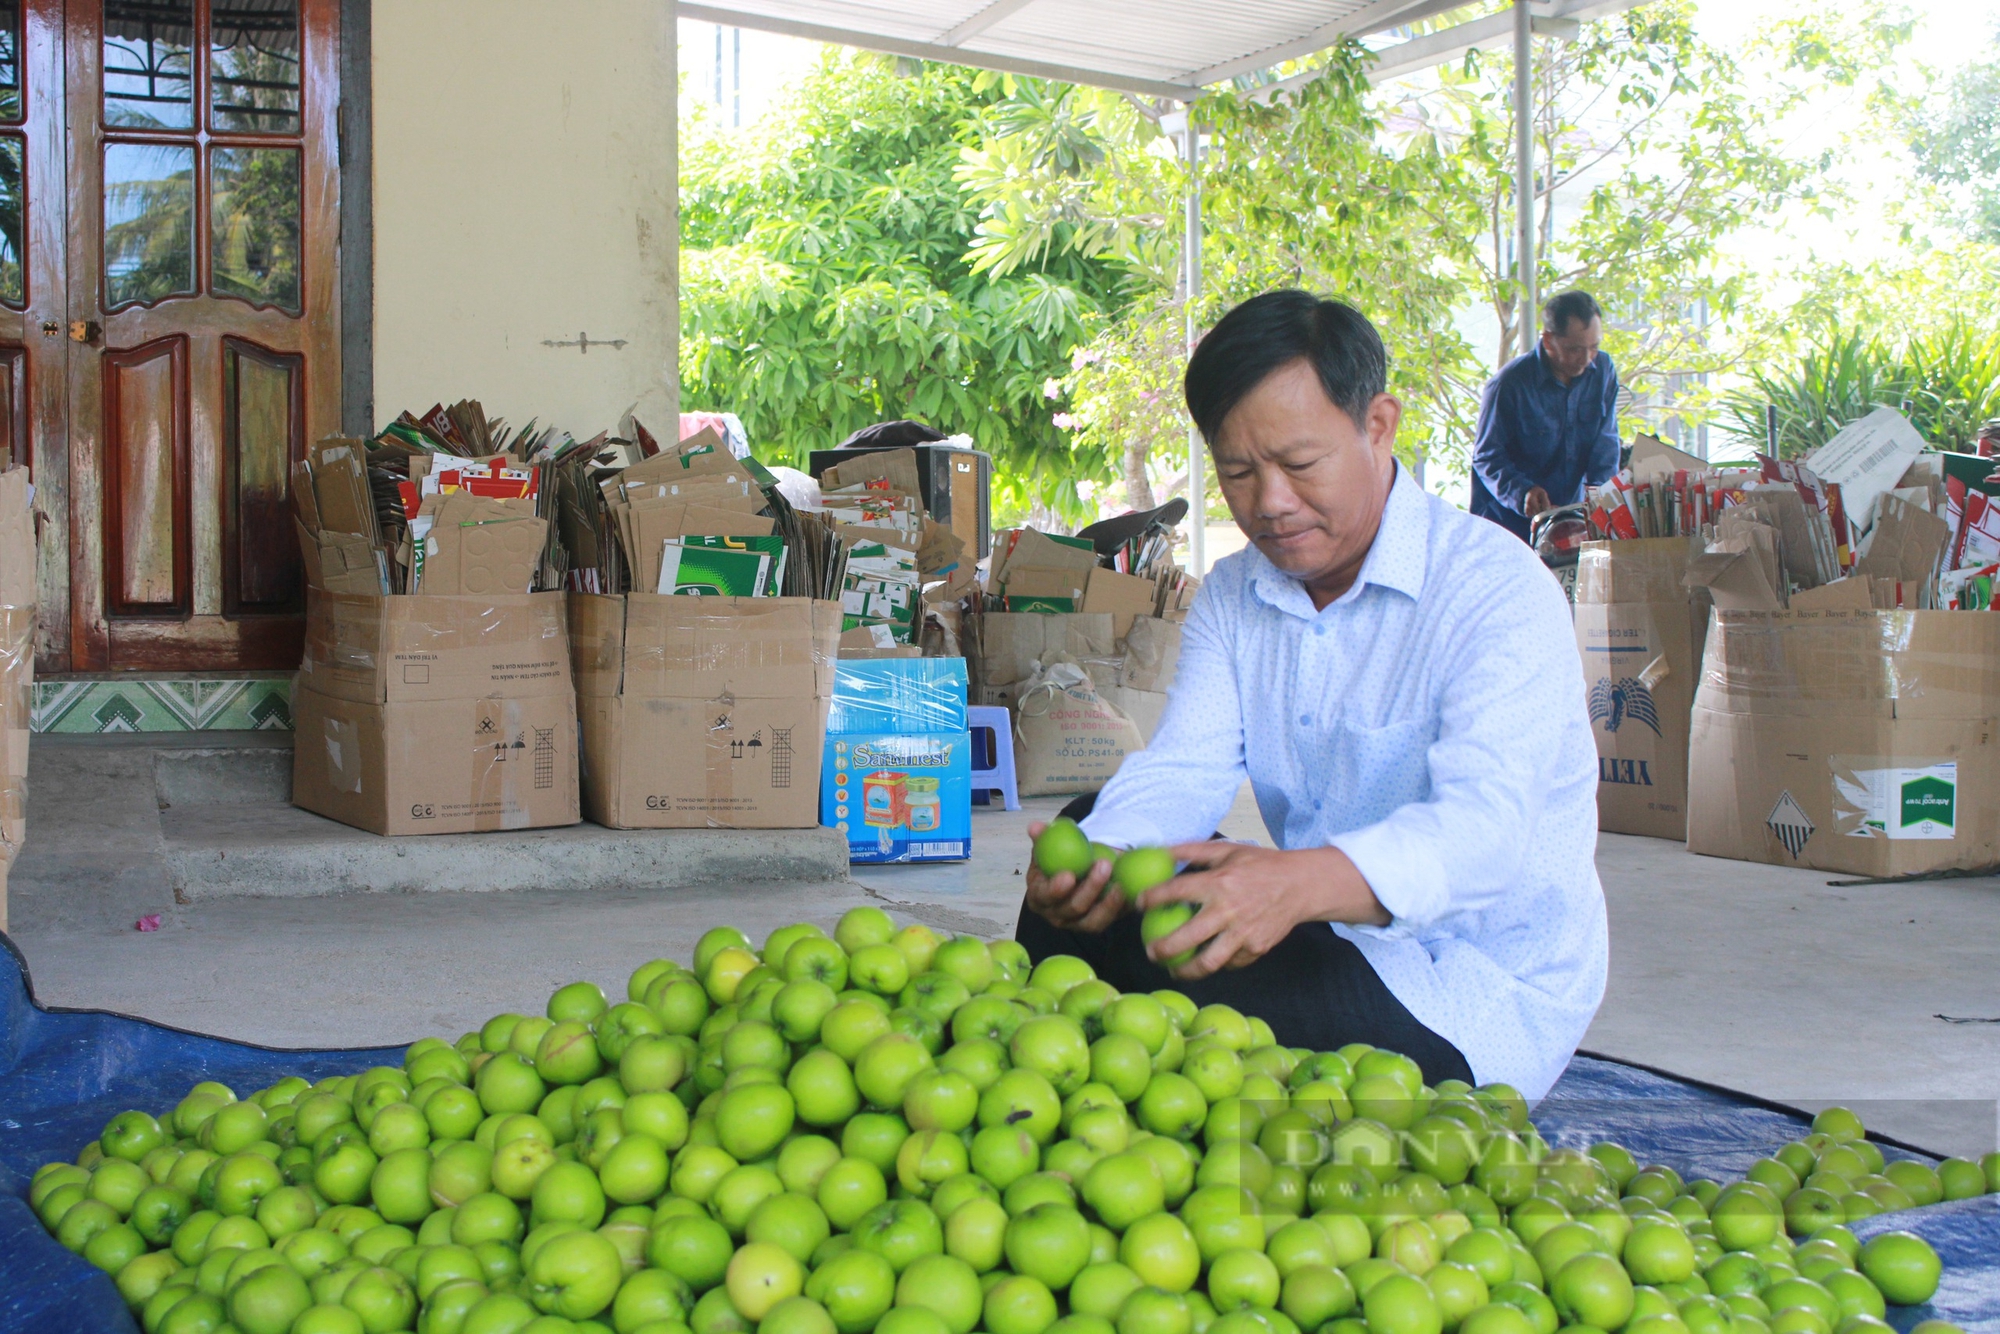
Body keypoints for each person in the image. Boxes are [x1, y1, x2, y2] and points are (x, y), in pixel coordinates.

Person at [1015, 290, 1606, 1099]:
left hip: (1467, 986)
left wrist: (1293, 884)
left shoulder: (1495, 590)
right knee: (1091, 837)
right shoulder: (1235, 594)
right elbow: (1186, 767)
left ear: (1378, 425)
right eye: (1236, 472)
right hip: (1312, 930)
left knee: (1197, 997)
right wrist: (1105, 863)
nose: (1270, 503)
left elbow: (1484, 836)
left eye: (1298, 464)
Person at [1469, 289, 1621, 542]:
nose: (1586, 360)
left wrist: (1602, 503)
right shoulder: (1509, 384)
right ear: (1549, 340)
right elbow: (1487, 457)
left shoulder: (1602, 371)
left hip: (1567, 523)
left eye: (1593, 348)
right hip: (1507, 527)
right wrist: (1522, 492)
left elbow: (1605, 446)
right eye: (1574, 350)